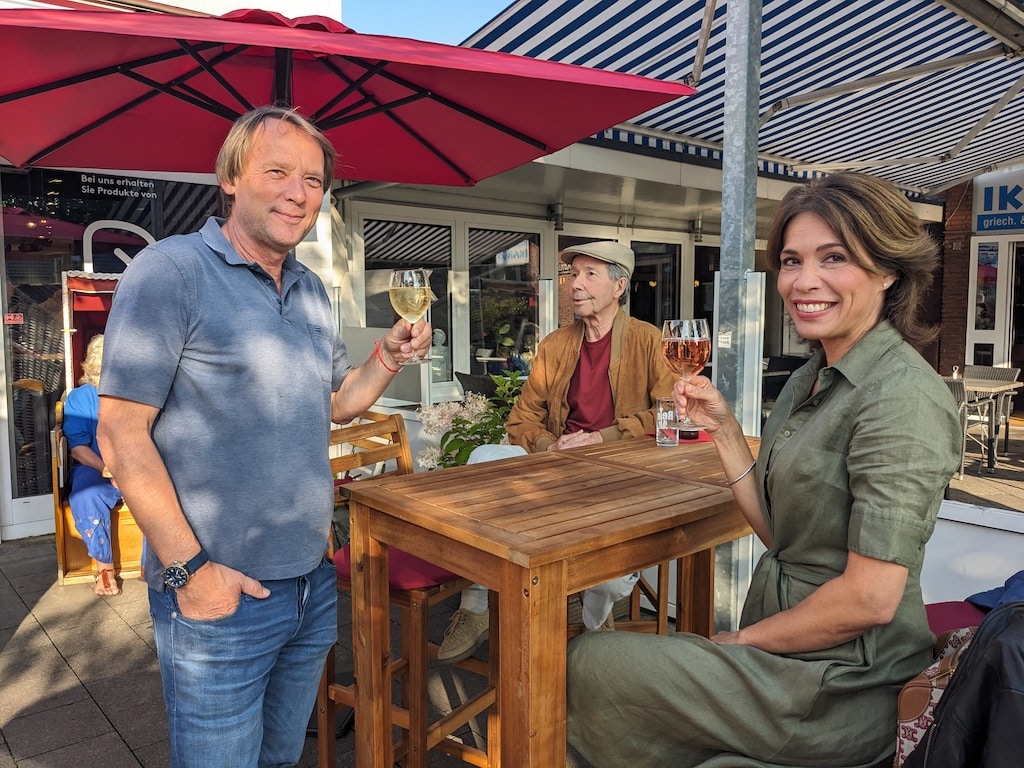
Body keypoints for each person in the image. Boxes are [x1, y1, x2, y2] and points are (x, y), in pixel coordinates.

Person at [565, 172, 962, 768]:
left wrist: (739, 642)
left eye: (834, 258)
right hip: (784, 654)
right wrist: (723, 428)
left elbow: (869, 601)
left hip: (841, 684)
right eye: (791, 260)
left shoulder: (901, 397)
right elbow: (781, 535)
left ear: (888, 272)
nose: (804, 282)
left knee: (588, 661)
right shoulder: (811, 378)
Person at [96, 106, 430, 768]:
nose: (297, 192)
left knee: (280, 759)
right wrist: (192, 572)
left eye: (312, 179)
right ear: (230, 177)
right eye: (277, 170)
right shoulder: (169, 272)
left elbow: (336, 404)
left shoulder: (310, 290)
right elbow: (120, 436)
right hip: (220, 593)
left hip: (309, 585)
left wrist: (387, 356)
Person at [437, 240, 676, 663]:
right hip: (555, 467)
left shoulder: (648, 341)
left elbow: (669, 414)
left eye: (589, 275)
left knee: (603, 561)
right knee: (482, 461)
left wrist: (603, 438)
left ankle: (596, 621)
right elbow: (520, 420)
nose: (575, 285)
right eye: (572, 275)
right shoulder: (555, 344)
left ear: (619, 286)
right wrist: (552, 443)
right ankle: (476, 608)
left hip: (616, 473)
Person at [63, 334, 123, 597]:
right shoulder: (80, 398)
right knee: (86, 494)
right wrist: (108, 469)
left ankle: (155, 566)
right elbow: (78, 448)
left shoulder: (134, 393)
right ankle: (105, 569)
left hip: (139, 466)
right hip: (95, 466)